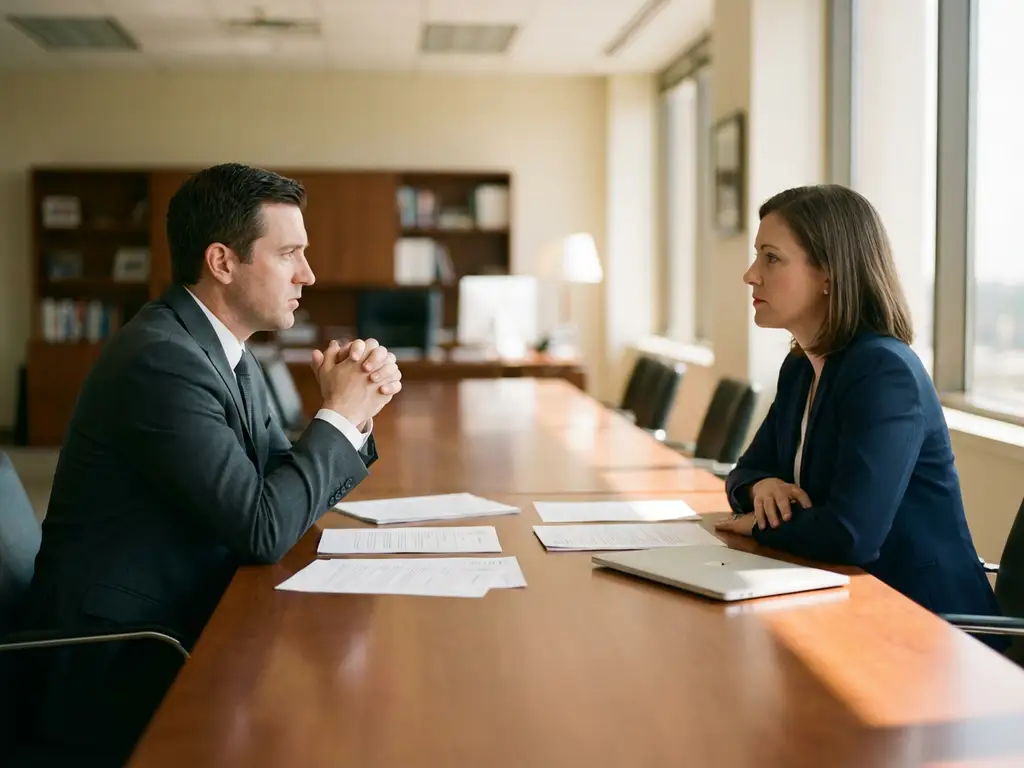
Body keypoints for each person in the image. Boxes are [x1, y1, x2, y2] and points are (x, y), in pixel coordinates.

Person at [17, 163, 402, 763]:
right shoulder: (162, 361)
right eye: (290, 254)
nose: (309, 274)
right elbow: (261, 529)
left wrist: (349, 414)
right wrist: (338, 415)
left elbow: (276, 485)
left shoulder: (223, 350)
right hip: (119, 659)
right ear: (222, 262)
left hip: (179, 615)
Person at [715, 184, 1002, 628]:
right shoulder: (800, 368)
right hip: (844, 600)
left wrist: (756, 523)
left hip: (928, 626)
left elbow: (852, 536)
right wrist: (761, 488)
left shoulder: (883, 373)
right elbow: (743, 472)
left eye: (771, 258)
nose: (751, 275)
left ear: (829, 274)